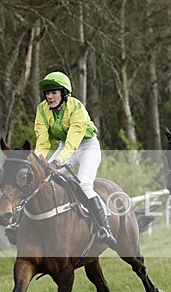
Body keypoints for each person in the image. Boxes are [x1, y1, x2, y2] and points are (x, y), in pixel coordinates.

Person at [7, 70, 117, 248]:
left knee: (84, 183)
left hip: (86, 147)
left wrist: (56, 163)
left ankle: (104, 228)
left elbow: (73, 143)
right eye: (47, 93)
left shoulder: (77, 108)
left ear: (64, 94)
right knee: (37, 179)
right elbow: (43, 142)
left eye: (54, 93)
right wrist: (39, 162)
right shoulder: (42, 110)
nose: (50, 97)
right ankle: (17, 224)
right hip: (63, 146)